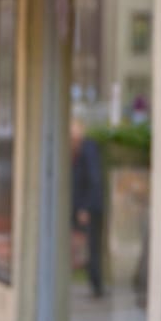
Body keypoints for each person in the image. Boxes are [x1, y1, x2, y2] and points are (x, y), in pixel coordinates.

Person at [70, 116, 105, 297]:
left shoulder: (89, 149)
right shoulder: (74, 151)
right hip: (77, 205)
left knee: (92, 247)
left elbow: (94, 180)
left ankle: (96, 286)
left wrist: (86, 207)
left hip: (89, 207)